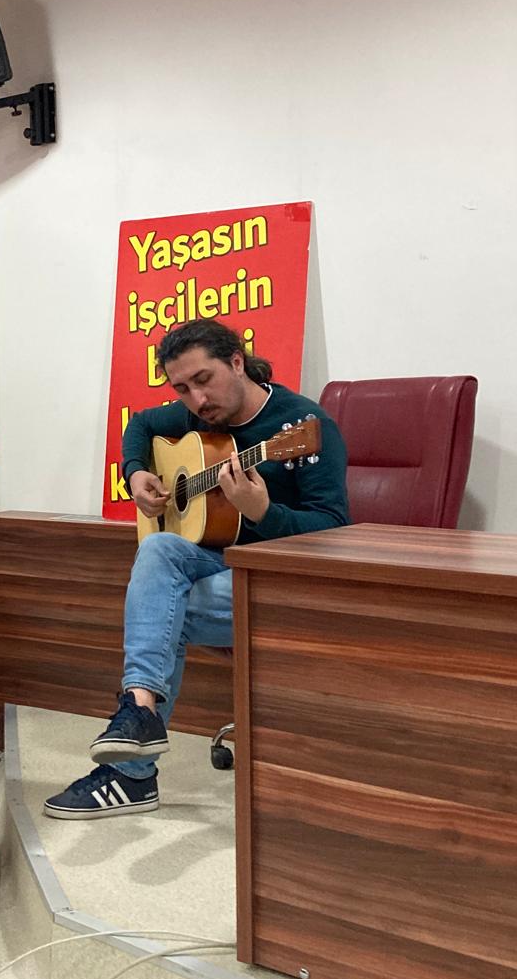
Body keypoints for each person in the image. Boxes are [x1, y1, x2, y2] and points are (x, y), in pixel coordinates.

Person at [44, 320, 349, 820]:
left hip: (286, 580)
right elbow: (140, 425)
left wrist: (263, 512)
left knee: (162, 612)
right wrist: (136, 473)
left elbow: (334, 532)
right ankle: (141, 713)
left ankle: (131, 772)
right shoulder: (196, 418)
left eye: (204, 380)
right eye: (182, 388)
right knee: (159, 547)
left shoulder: (303, 427)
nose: (196, 400)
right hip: (220, 562)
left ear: (237, 361)